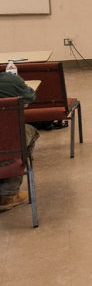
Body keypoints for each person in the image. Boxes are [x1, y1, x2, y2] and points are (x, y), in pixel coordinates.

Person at [0, 72, 38, 211]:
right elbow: (31, 97)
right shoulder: (10, 80)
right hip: (6, 143)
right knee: (28, 132)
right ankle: (8, 194)